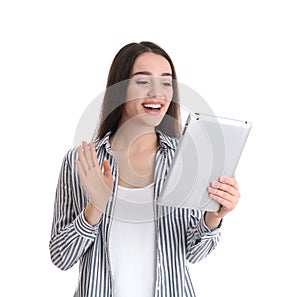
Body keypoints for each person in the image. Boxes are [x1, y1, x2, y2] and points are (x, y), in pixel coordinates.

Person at [49, 41, 241, 297]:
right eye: (142, 81)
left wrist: (215, 215)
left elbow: (194, 253)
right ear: (120, 89)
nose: (157, 92)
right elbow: (61, 258)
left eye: (166, 82)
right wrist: (94, 207)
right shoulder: (81, 162)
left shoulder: (187, 160)